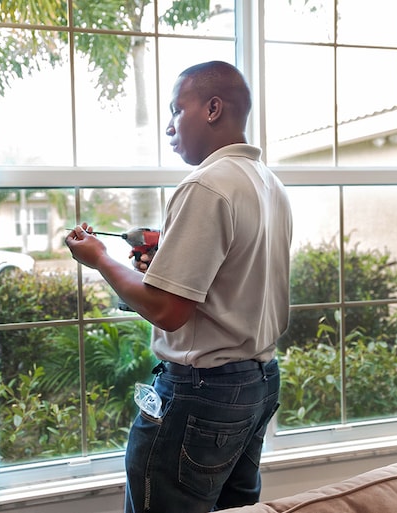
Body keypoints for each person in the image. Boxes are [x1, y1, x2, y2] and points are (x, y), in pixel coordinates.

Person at [65, 60, 292, 513]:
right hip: (257, 383)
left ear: (212, 108)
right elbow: (228, 283)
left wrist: (100, 259)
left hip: (202, 394)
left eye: (176, 110)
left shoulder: (206, 185)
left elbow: (168, 311)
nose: (169, 126)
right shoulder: (269, 185)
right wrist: (166, 266)